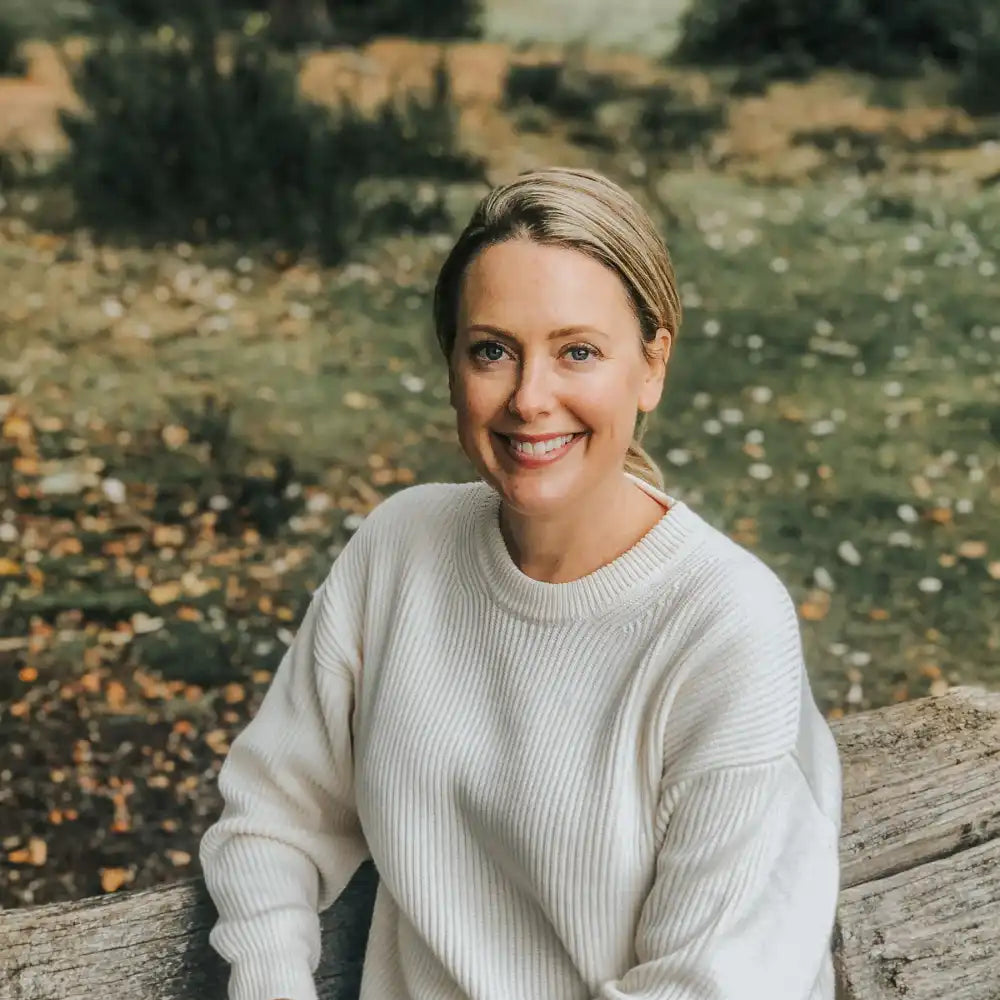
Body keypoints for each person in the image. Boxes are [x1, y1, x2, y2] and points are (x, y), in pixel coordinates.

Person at [199, 166, 842, 1000]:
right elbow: (271, 818)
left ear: (652, 365)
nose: (530, 398)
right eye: (493, 351)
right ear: (454, 368)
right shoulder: (402, 546)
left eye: (578, 351)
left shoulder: (723, 623)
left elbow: (706, 987)